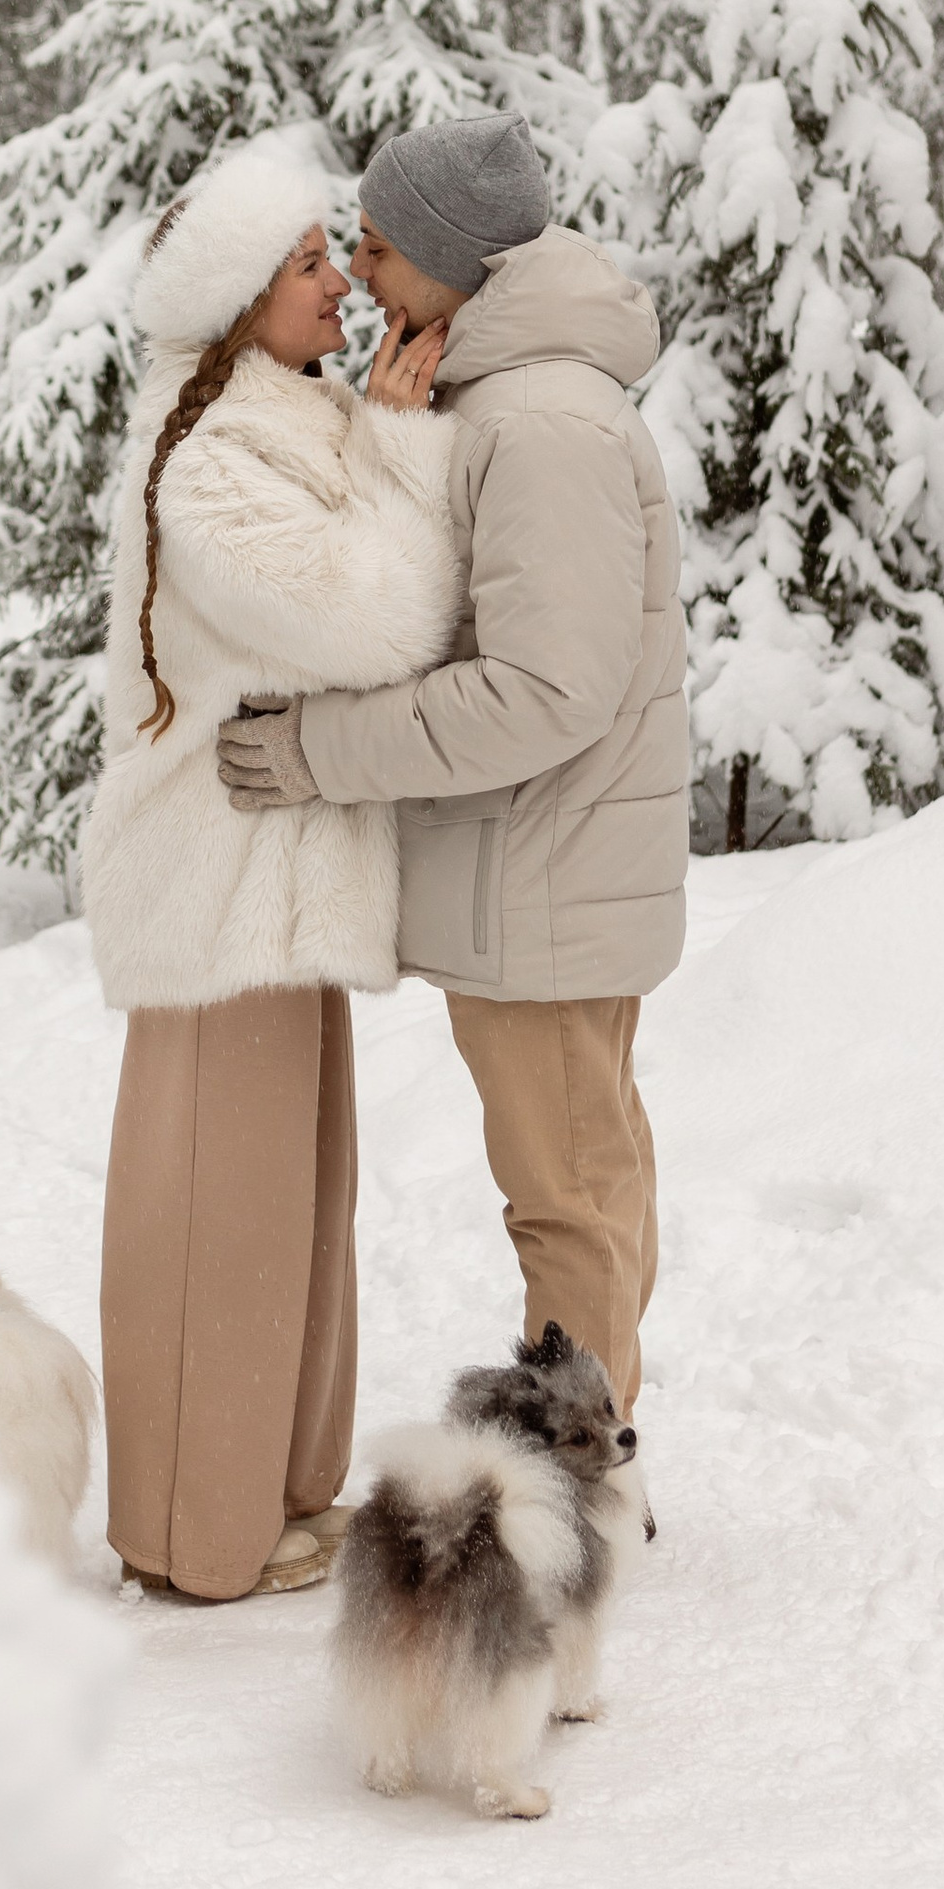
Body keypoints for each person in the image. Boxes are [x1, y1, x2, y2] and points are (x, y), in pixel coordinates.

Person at [217, 112, 686, 1419]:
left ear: (452, 259)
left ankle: (563, 1496)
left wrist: (314, 753)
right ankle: (586, 1460)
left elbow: (543, 690)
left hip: (541, 873)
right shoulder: (493, 400)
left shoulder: (538, 423)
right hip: (541, 870)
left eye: (377, 245)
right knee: (589, 1177)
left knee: (568, 1199)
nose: (359, 272)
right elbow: (450, 610)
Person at [82, 126, 461, 1602]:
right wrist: (407, 450)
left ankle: (279, 1490)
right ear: (241, 297)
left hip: (283, 883)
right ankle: (191, 1528)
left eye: (329, 254)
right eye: (308, 263)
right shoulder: (215, 463)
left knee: (297, 1213)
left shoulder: (281, 421)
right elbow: (377, 623)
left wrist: (375, 433)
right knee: (215, 1226)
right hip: (225, 890)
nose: (338, 283)